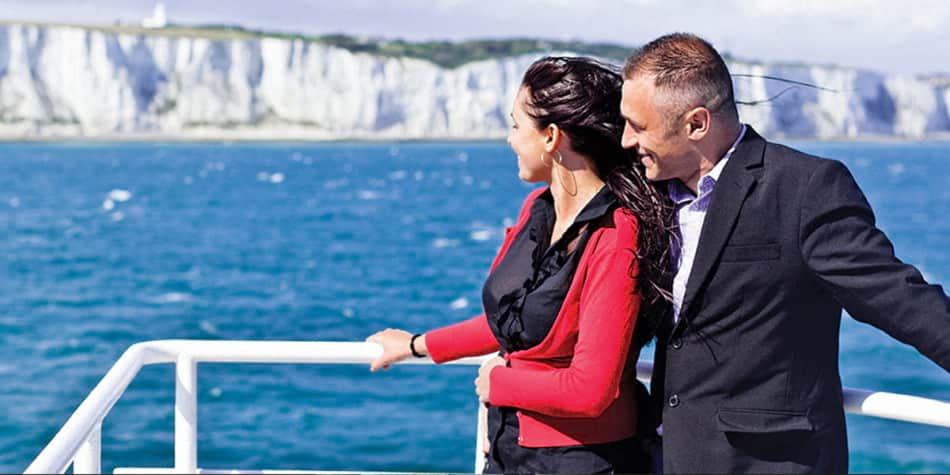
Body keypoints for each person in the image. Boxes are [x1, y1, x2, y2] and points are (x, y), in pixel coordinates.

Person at [618, 32, 950, 474]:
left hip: (768, 464)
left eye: (637, 126)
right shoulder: (652, 198)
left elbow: (898, 297)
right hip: (668, 456)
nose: (625, 140)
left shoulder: (805, 188)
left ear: (696, 124)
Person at [366, 56, 674, 474]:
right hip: (510, 448)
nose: (510, 140)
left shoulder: (615, 235)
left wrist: (501, 381)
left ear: (551, 137)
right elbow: (511, 318)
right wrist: (417, 345)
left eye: (515, 125)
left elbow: (592, 389)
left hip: (582, 461)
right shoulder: (537, 209)